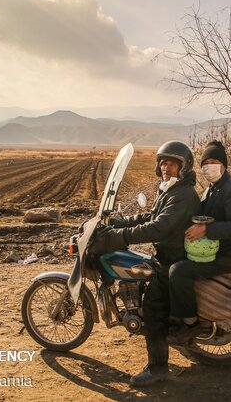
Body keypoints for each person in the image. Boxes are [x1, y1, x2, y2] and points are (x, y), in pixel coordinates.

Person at [89, 141, 201, 387]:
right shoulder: (171, 190)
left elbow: (158, 228)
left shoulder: (183, 195)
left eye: (171, 162)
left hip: (173, 258)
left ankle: (158, 367)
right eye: (162, 162)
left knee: (152, 309)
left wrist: (120, 236)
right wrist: (119, 222)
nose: (164, 167)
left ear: (183, 166)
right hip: (167, 254)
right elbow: (151, 216)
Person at [166, 140, 231, 345]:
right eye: (204, 163)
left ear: (224, 165)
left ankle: (190, 324)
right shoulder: (213, 188)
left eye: (213, 161)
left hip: (225, 257)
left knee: (178, 271)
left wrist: (206, 230)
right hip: (211, 250)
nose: (208, 167)